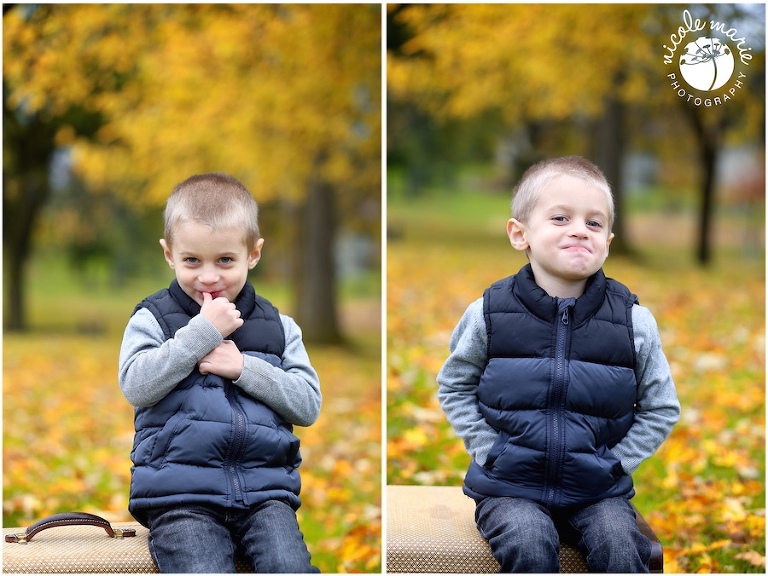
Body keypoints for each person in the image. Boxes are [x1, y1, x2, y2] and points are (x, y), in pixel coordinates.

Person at [436, 156, 680, 573]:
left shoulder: (632, 320)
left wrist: (616, 463)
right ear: (520, 234)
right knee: (529, 542)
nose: (580, 230)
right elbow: (454, 385)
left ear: (608, 240)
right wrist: (489, 450)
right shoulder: (489, 313)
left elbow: (661, 407)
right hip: (509, 486)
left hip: (596, 490)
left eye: (594, 223)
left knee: (621, 546)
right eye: (561, 217)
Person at [118, 172, 322, 573]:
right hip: (180, 496)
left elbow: (308, 404)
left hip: (266, 495)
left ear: (254, 253)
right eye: (192, 260)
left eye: (225, 260)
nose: (208, 277)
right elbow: (137, 385)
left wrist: (245, 368)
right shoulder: (153, 319)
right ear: (168, 254)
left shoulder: (280, 327)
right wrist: (201, 334)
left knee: (289, 566)